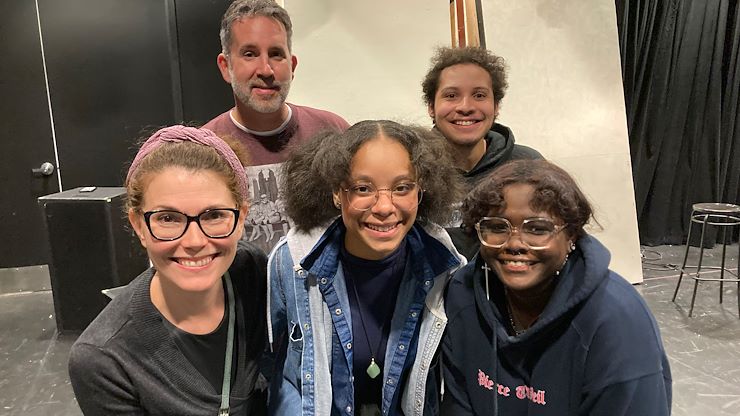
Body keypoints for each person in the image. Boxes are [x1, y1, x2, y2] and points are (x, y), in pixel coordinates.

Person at [440, 160, 672, 415]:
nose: (514, 243)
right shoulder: (464, 294)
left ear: (571, 235)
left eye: (538, 229)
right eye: (497, 227)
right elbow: (458, 404)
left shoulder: (617, 318)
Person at [268, 120, 467, 416]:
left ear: (420, 191)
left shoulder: (444, 268)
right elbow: (277, 372)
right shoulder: (294, 262)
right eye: (363, 188)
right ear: (337, 193)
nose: (384, 207)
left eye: (402, 188)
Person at [68, 126, 268, 415]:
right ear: (139, 225)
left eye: (213, 215)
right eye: (168, 218)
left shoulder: (252, 273)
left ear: (241, 218)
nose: (195, 242)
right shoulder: (105, 359)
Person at [206, 0, 350, 253]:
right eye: (249, 54)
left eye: (276, 54)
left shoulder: (333, 131)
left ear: (292, 66)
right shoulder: (205, 147)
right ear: (225, 66)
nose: (266, 69)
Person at [421, 46, 543, 259]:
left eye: (479, 95)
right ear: (431, 106)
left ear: (496, 106)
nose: (466, 107)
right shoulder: (414, 169)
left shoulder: (529, 166)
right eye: (451, 95)